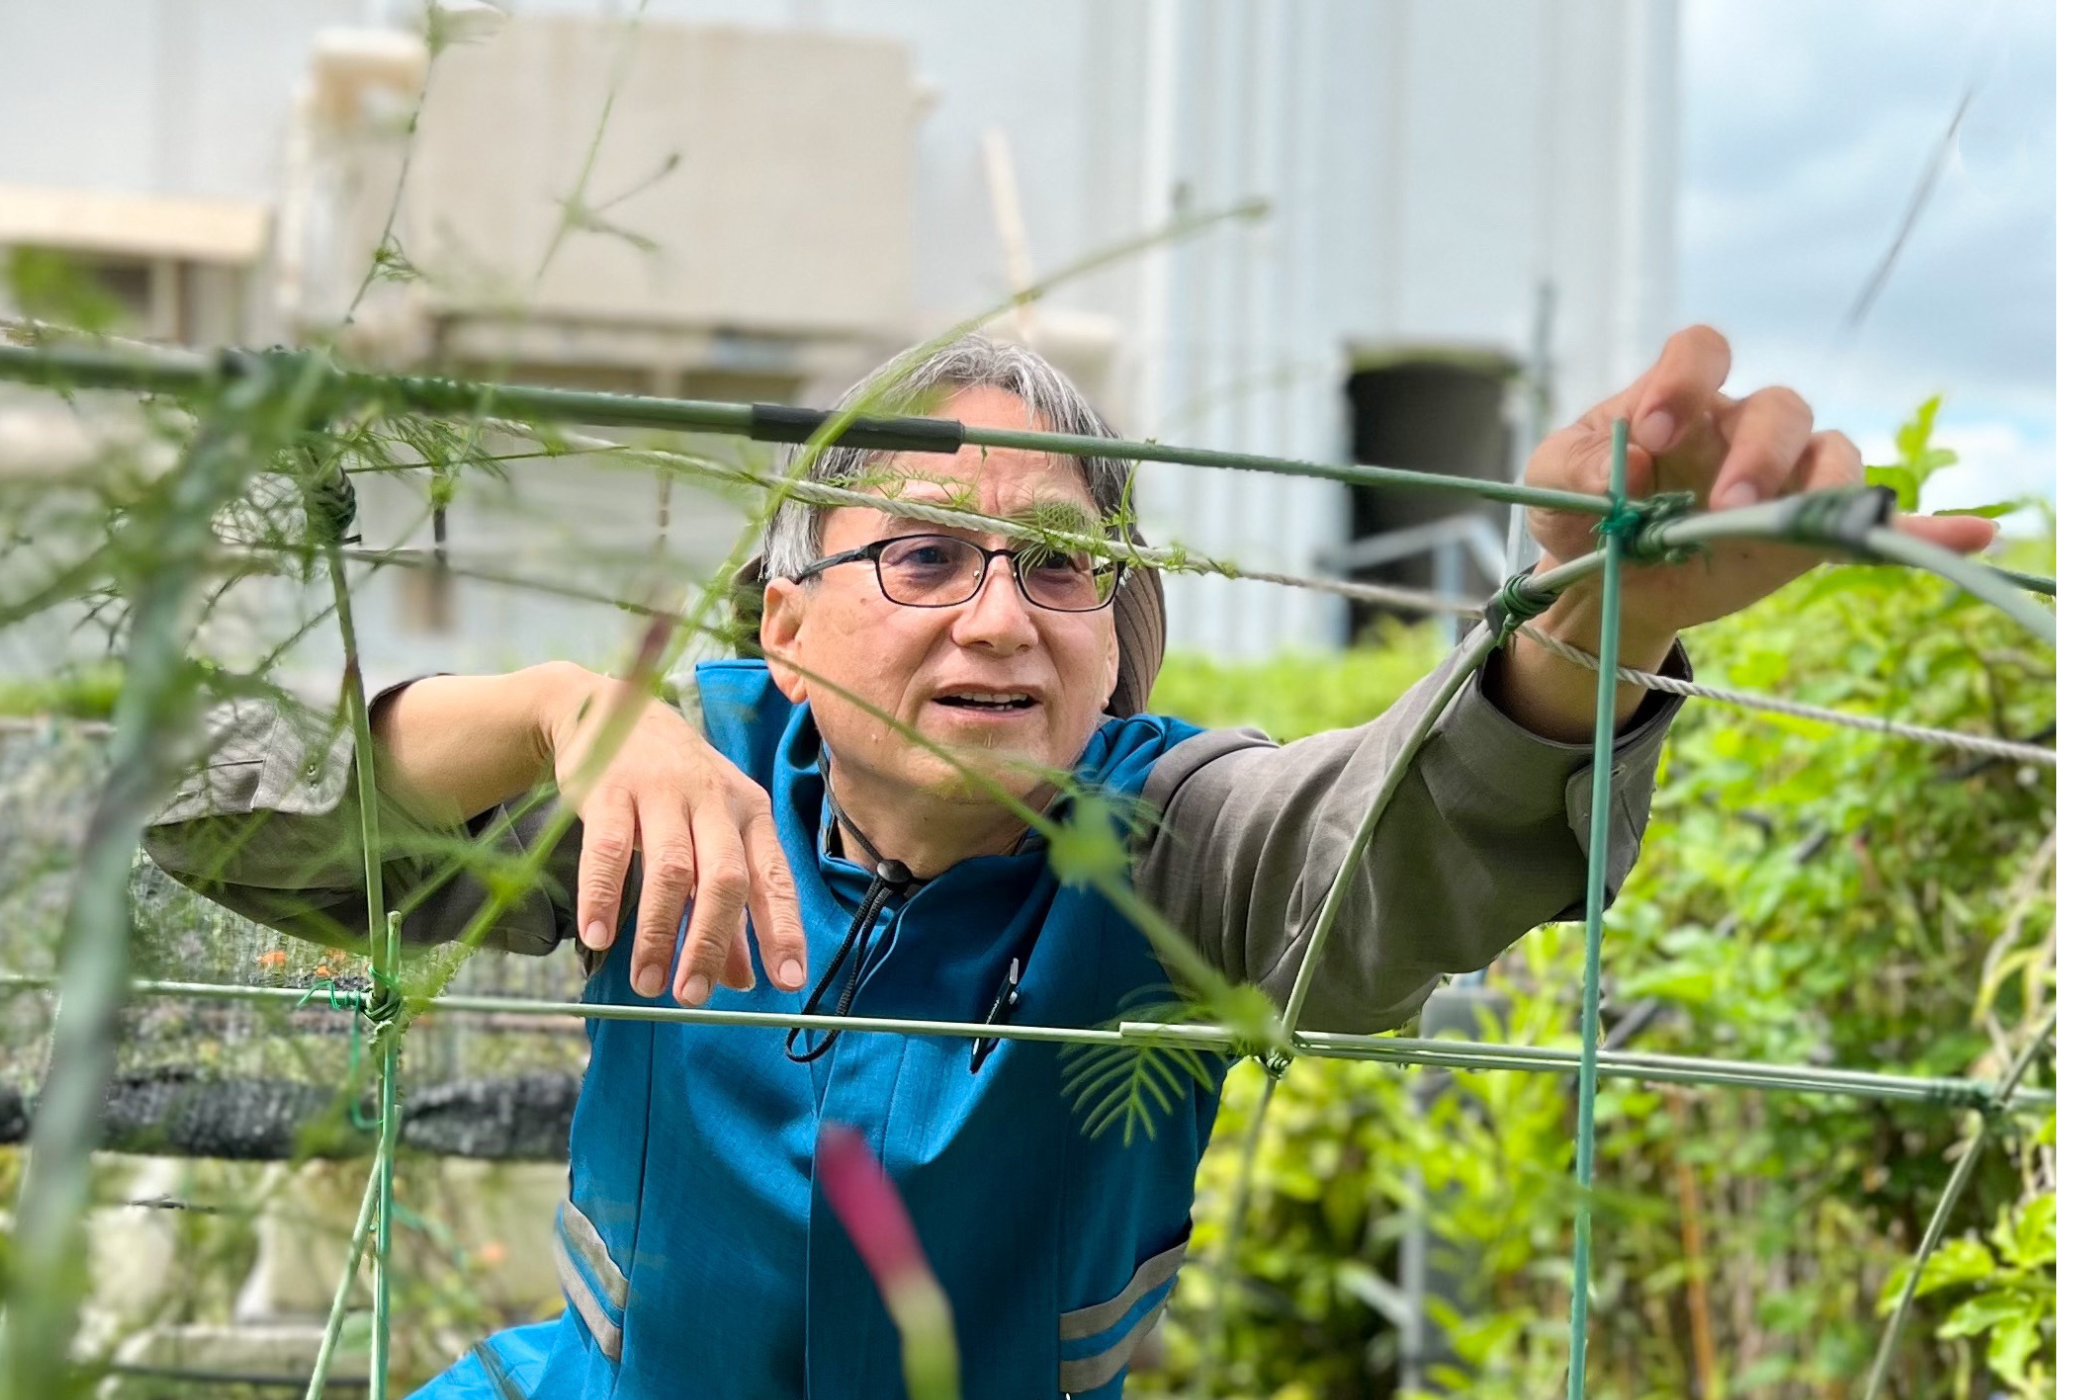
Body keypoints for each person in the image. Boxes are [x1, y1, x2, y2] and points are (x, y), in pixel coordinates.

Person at [144, 327, 1992, 1399]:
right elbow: (238, 820)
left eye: (1060, 567)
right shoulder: (675, 770)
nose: (1000, 621)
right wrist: (557, 708)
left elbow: (1394, 843)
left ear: (1129, 639)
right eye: (924, 557)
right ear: (780, 624)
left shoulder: (1177, 838)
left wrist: (1586, 634)